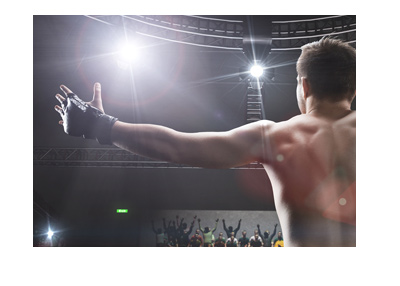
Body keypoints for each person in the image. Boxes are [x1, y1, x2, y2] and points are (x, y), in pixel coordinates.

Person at [54, 38, 356, 247]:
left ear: (304, 85)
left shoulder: (276, 136)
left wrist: (102, 126)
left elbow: (177, 147)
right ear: (352, 89)